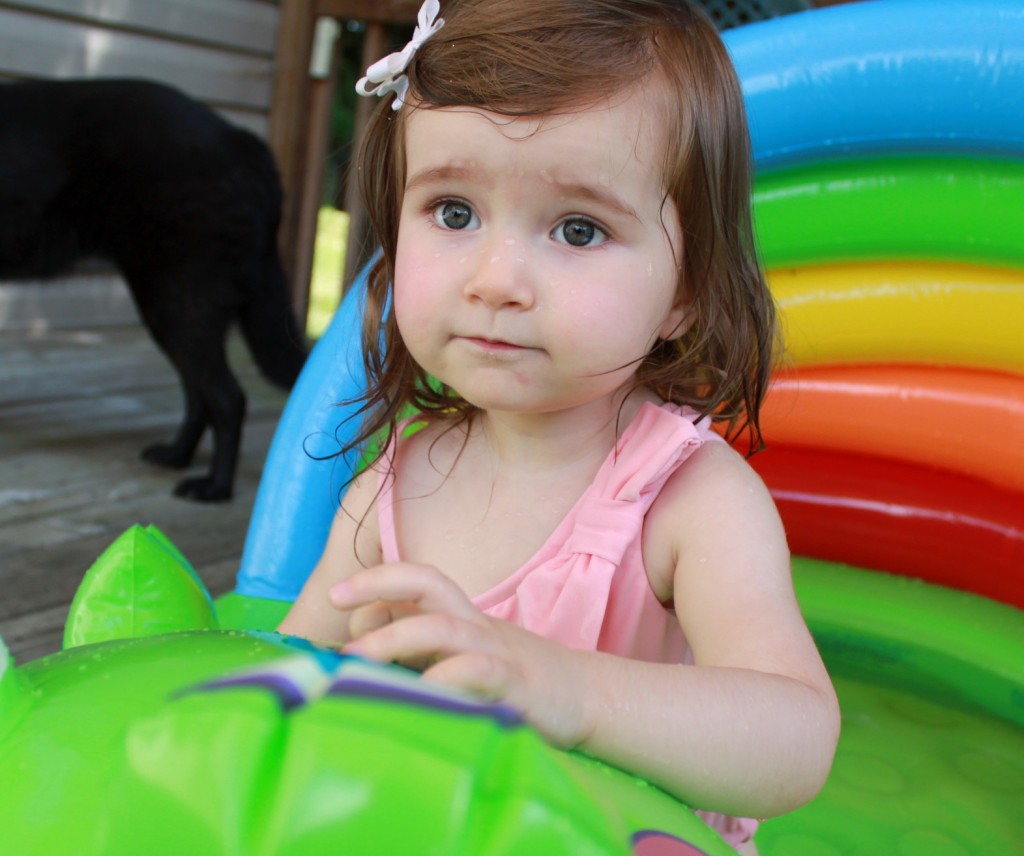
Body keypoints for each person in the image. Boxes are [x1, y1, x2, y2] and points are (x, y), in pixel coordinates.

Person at [279, 0, 840, 849]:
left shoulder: (688, 502)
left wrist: (574, 693)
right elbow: (285, 683)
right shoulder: (386, 492)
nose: (497, 279)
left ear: (684, 292)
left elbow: (796, 741)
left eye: (578, 229)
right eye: (454, 212)